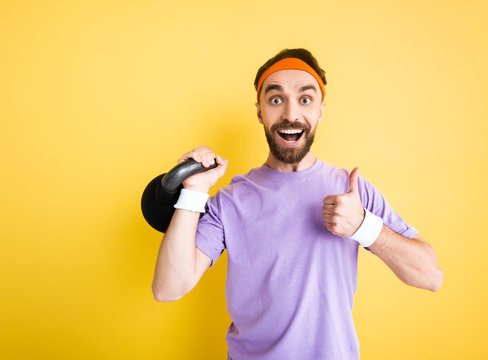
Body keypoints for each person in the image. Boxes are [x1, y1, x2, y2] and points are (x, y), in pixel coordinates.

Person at [152, 48, 444, 359]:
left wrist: (364, 227)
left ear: (321, 111)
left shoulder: (352, 192)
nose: (291, 115)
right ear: (260, 111)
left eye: (305, 99)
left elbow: (431, 276)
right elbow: (168, 288)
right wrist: (194, 192)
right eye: (276, 100)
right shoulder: (229, 202)